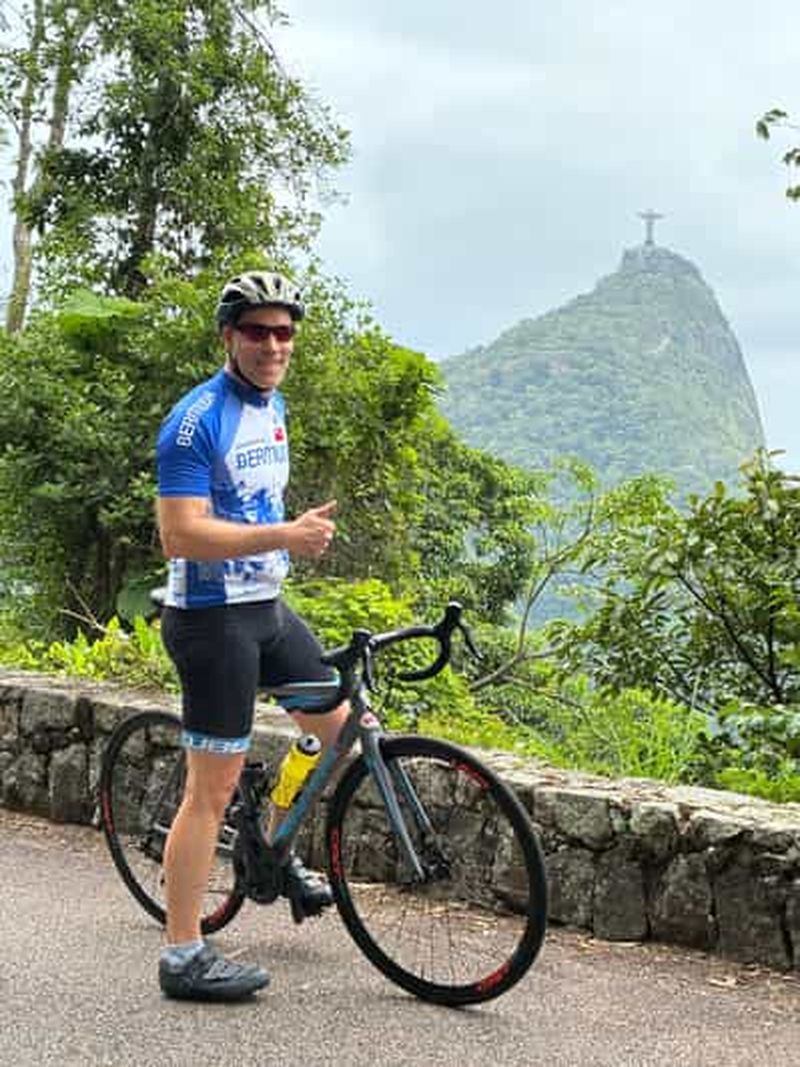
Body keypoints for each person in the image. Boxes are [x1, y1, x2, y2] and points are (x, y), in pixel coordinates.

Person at [154, 269, 349, 1002]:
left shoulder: (274, 408)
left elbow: (254, 501)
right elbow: (180, 534)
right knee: (211, 788)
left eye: (284, 332)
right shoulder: (195, 420)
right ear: (229, 337)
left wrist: (290, 537)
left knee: (342, 727)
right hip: (211, 619)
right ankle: (182, 954)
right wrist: (285, 535)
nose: (273, 345)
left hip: (266, 607)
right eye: (257, 331)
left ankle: (268, 848)